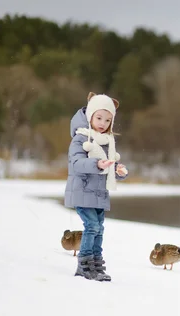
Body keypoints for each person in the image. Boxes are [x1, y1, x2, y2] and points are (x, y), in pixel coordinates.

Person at [64, 92, 129, 282]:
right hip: (82, 190)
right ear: (90, 115)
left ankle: (96, 263)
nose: (103, 123)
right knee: (91, 226)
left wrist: (118, 171)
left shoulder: (107, 142)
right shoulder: (80, 139)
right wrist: (97, 164)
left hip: (99, 194)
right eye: (99, 118)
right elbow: (76, 163)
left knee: (99, 228)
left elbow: (108, 166)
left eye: (108, 120)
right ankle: (84, 264)